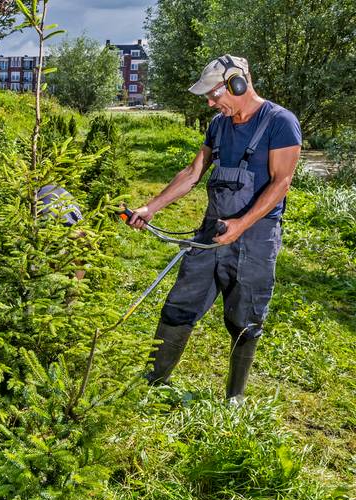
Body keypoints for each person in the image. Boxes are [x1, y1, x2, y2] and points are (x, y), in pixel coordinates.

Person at [125, 55, 301, 402]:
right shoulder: (218, 126)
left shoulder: (281, 122)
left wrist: (240, 225)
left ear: (238, 83)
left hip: (256, 237)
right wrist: (151, 208)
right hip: (211, 233)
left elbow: (282, 183)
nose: (209, 102)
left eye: (212, 93)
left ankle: (234, 398)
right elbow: (193, 173)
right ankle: (153, 381)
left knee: (245, 318)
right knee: (179, 304)